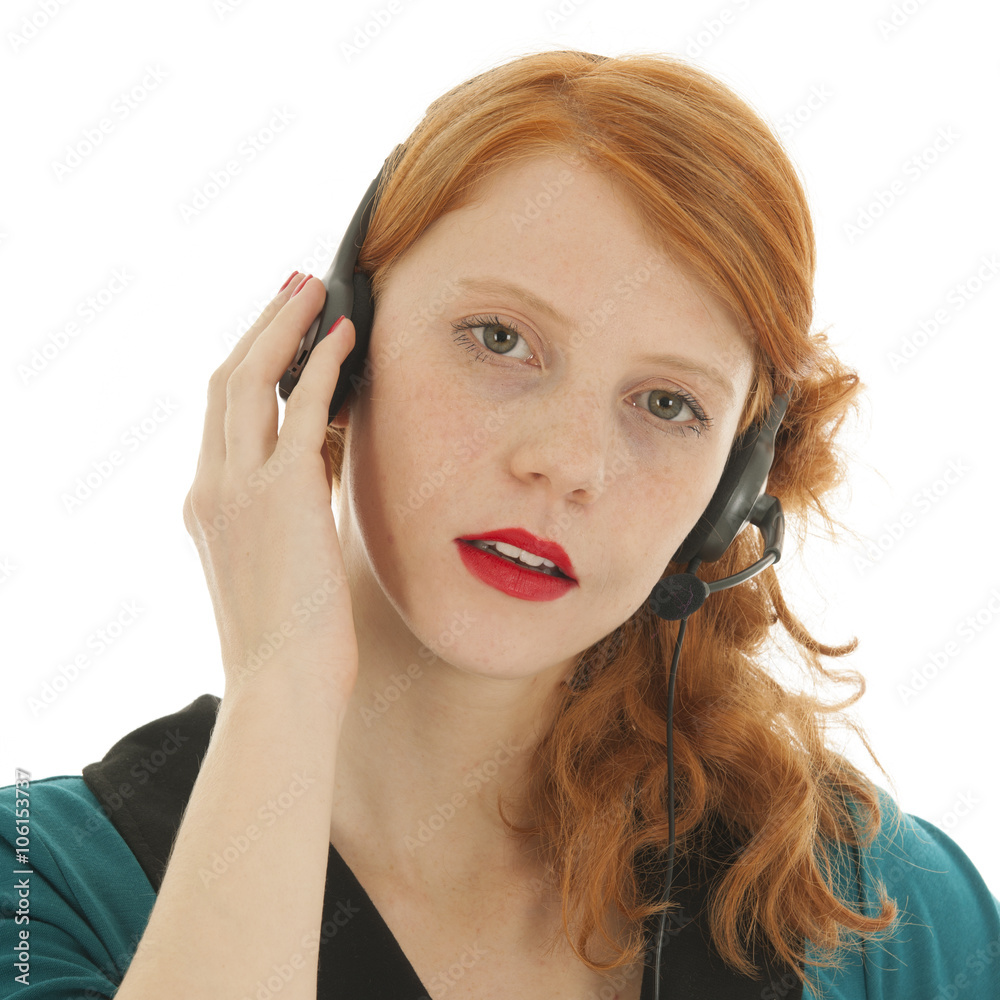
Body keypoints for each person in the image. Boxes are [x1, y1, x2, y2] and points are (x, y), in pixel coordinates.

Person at [2, 48, 999, 1000]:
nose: (566, 462)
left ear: (732, 491)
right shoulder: (38, 888)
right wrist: (281, 684)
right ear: (337, 345)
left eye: (665, 404)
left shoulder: (881, 909)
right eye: (500, 339)